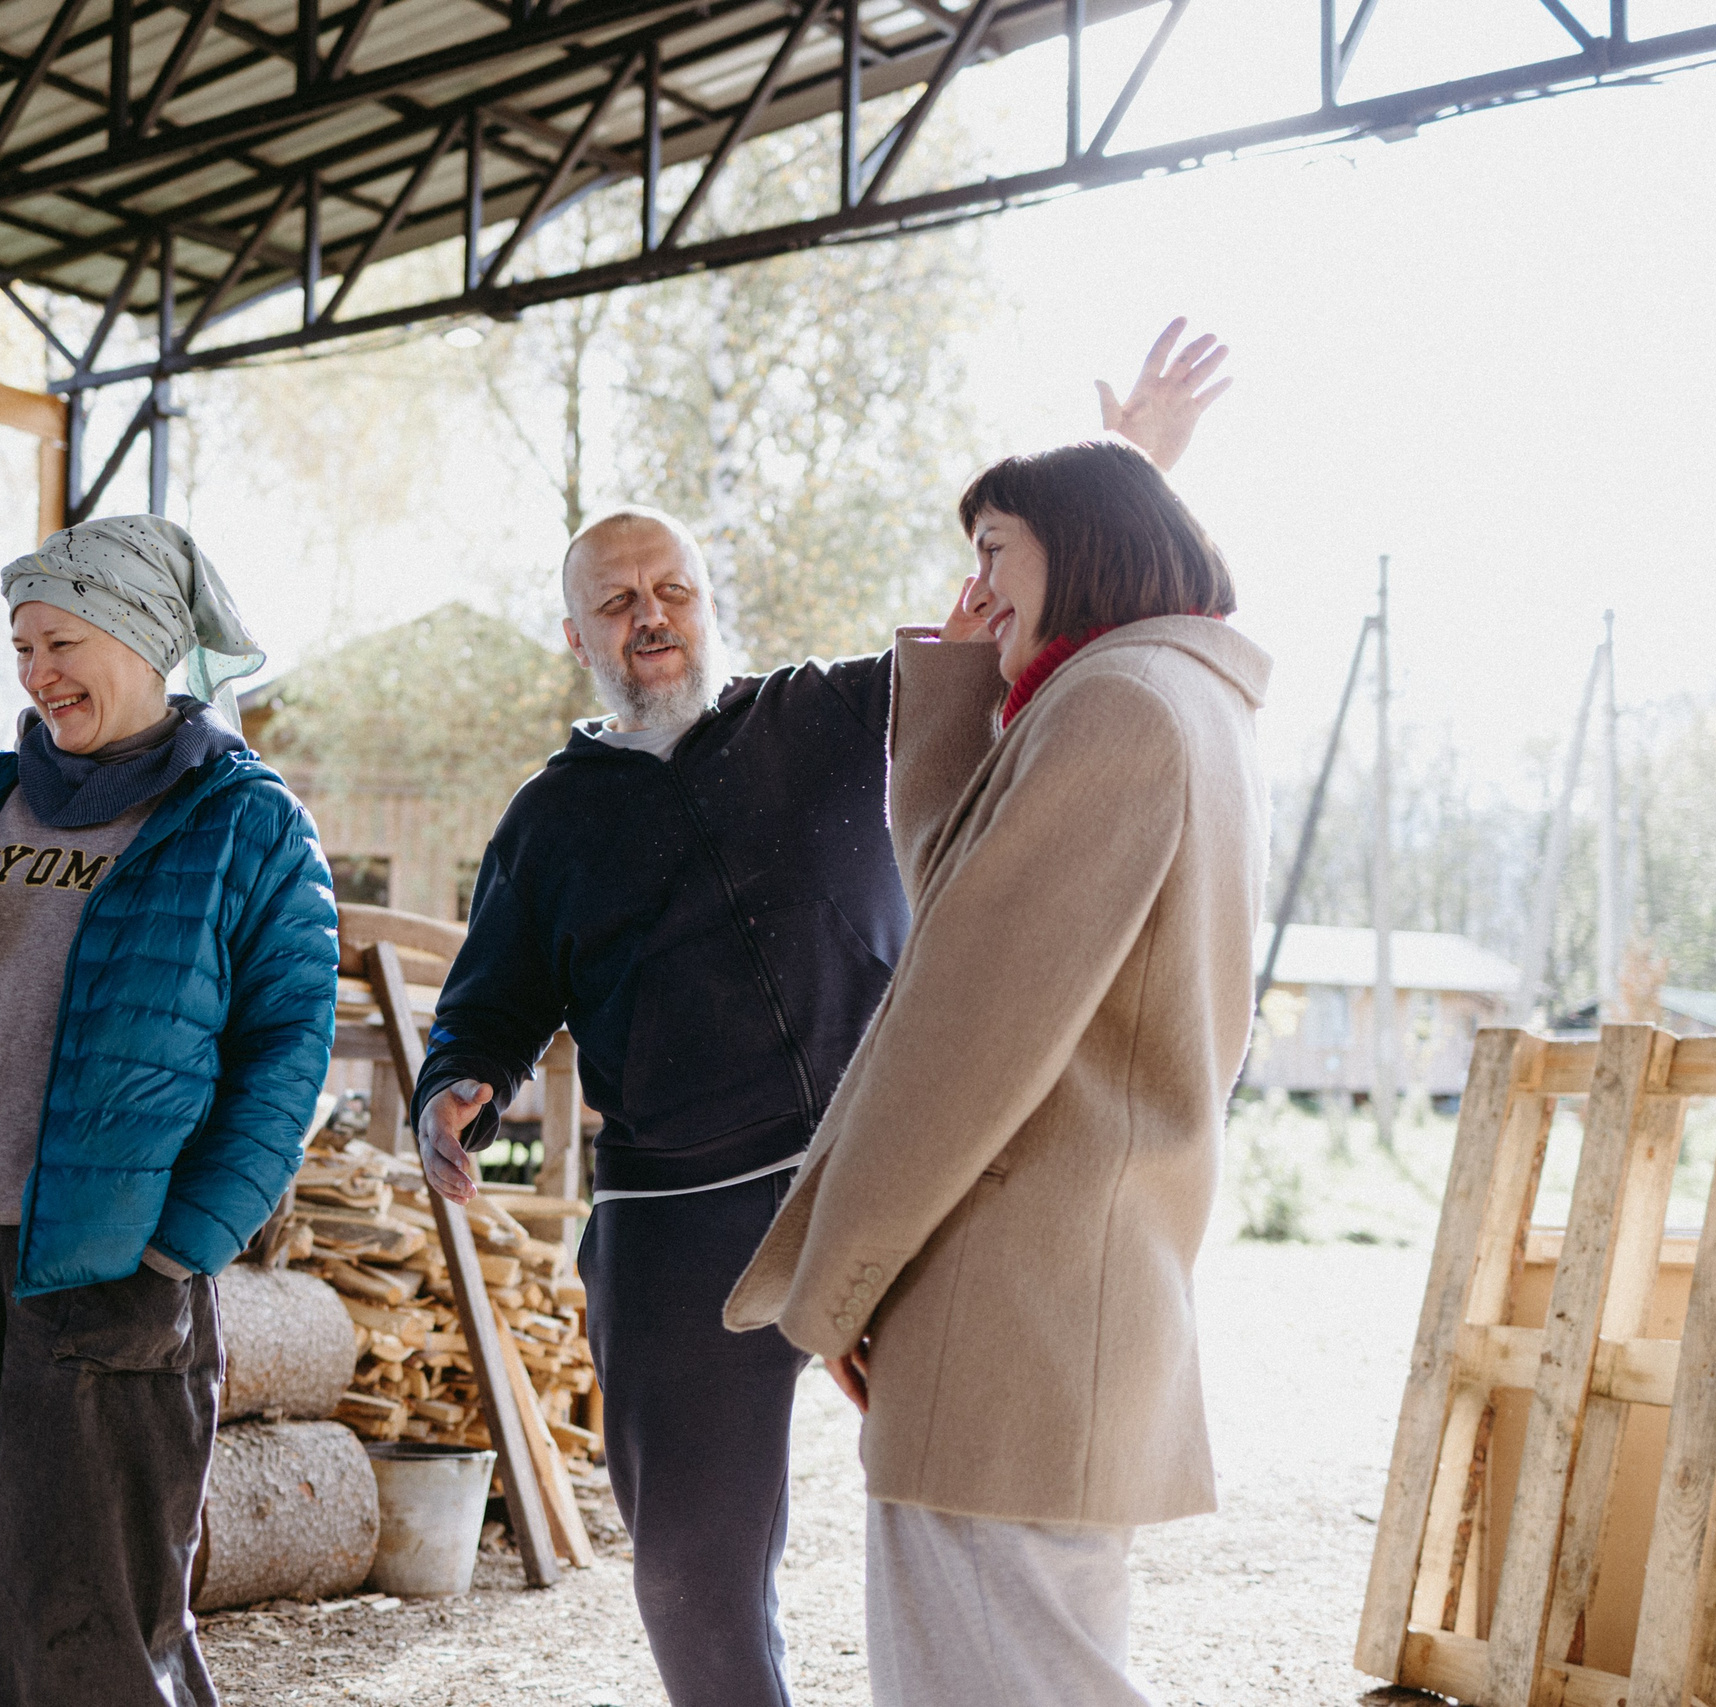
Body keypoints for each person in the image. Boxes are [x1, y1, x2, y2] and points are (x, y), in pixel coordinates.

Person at [411, 326, 1232, 1707]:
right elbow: (492, 992)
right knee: (694, 1562)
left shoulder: (834, 711)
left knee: (964, 1524)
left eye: (672, 584)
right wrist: (457, 1079)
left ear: (711, 600)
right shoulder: (551, 818)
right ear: (576, 634)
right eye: (615, 600)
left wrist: (1133, 465)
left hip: (890, 1178)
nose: (649, 612)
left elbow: (1007, 618)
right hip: (678, 1220)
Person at [722, 439, 1270, 1706]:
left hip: (1007, 1295)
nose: (977, 583)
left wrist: (846, 1280)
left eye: (992, 550)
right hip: (1075, 1290)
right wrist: (962, 679)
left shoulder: (1112, 708)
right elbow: (967, 907)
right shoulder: (1180, 699)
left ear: (1078, 544)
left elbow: (959, 1037)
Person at [0, 516, 339, 1707]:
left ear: (146, 639)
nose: (38, 673)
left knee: (83, 1624)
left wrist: (182, 1241)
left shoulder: (244, 823)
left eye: (62, 641)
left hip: (106, 1266)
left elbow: (288, 1056)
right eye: (20, 648)